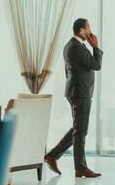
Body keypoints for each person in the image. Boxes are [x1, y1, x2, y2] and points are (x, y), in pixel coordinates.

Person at [44, 18, 103, 178]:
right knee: (80, 131)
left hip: (74, 91)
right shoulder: (77, 47)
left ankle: (53, 155)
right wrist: (96, 47)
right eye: (88, 28)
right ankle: (80, 168)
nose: (91, 31)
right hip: (80, 92)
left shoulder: (70, 45)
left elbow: (68, 72)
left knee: (78, 128)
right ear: (82, 31)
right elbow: (96, 65)